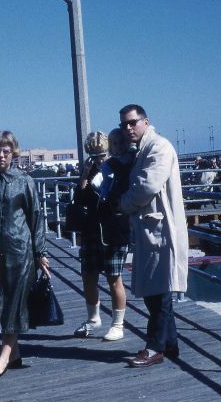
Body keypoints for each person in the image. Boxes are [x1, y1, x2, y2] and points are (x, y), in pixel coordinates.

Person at [0, 130, 50, 377]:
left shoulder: (24, 181)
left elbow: (36, 217)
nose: (1, 155)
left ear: (13, 153)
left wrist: (40, 252)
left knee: (14, 302)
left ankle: (3, 357)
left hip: (20, 250)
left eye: (6, 151)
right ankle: (13, 354)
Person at [118, 104, 188, 368]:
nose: (128, 128)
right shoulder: (141, 150)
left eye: (132, 122)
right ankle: (170, 344)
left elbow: (147, 185)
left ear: (145, 122)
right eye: (124, 124)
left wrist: (123, 203)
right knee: (155, 291)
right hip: (150, 231)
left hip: (161, 231)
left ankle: (154, 346)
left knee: (159, 292)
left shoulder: (159, 147)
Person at [73, 129, 132, 341]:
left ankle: (118, 324)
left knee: (113, 278)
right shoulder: (88, 170)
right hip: (91, 230)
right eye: (94, 155)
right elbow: (79, 199)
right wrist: (84, 177)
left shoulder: (117, 168)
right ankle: (93, 318)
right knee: (88, 275)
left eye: (102, 154)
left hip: (113, 230)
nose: (99, 159)